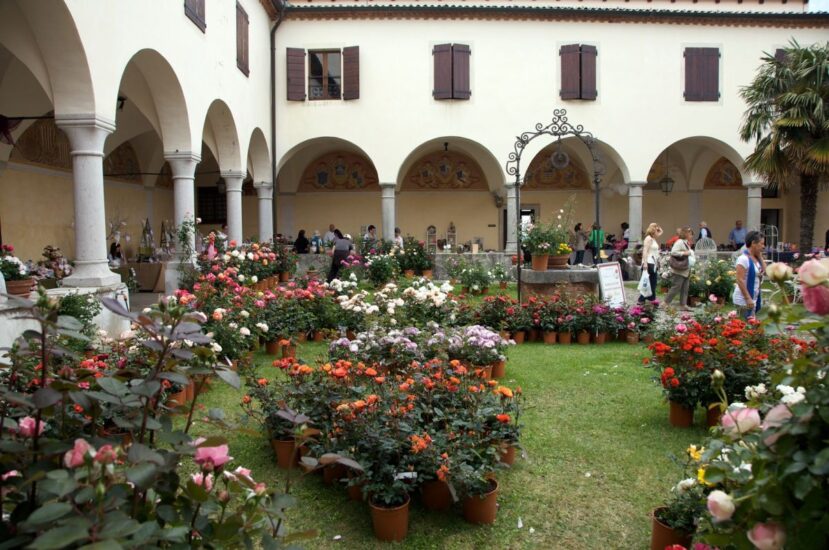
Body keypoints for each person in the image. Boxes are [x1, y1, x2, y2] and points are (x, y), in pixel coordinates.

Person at [732, 230, 765, 318]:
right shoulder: (743, 259)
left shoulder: (756, 258)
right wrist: (747, 298)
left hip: (753, 298)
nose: (763, 246)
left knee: (752, 327)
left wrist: (760, 257)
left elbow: (766, 272)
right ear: (753, 243)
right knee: (744, 327)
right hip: (743, 299)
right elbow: (740, 280)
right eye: (761, 244)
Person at [664, 227, 694, 309]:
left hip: (686, 268)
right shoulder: (680, 242)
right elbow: (673, 252)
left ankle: (683, 304)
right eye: (690, 234)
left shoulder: (686, 243)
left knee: (685, 288)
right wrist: (685, 253)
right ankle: (665, 303)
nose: (692, 236)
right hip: (680, 269)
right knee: (676, 286)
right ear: (686, 234)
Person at [638, 223, 663, 303]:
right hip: (649, 262)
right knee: (649, 282)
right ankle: (642, 299)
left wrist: (658, 227)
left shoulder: (653, 238)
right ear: (653, 230)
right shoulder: (648, 238)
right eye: (656, 229)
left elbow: (661, 232)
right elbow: (645, 251)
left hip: (653, 262)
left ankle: (652, 299)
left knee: (653, 282)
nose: (657, 230)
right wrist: (645, 263)